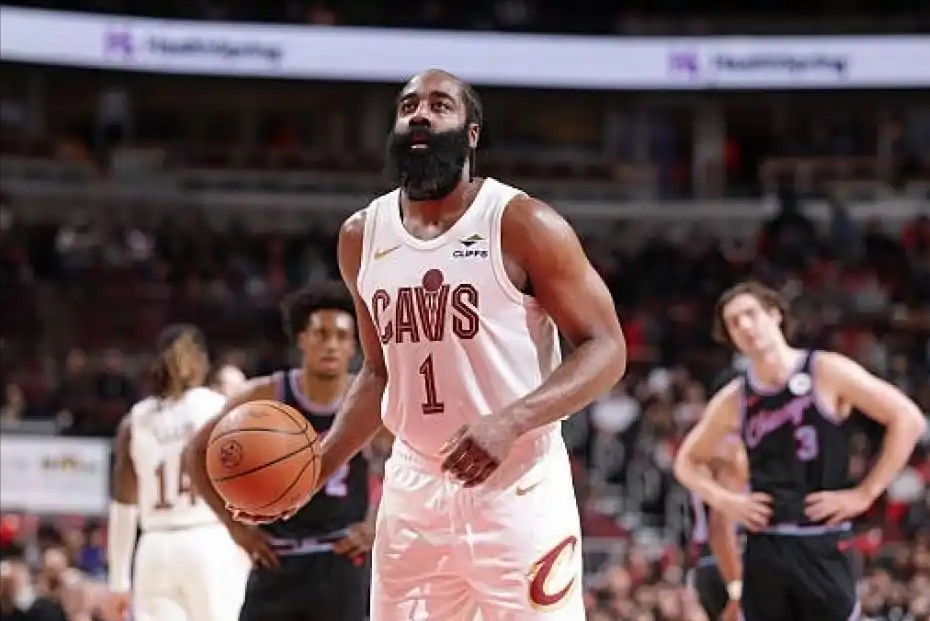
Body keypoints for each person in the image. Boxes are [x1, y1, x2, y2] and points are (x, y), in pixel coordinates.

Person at [234, 69, 627, 620]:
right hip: (414, 487)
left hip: (518, 484)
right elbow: (377, 371)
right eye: (407, 106)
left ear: (471, 134)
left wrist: (511, 421)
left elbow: (607, 348)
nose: (419, 113)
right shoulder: (360, 236)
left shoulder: (522, 223)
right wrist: (313, 471)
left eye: (440, 105)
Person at [674, 281, 927, 621]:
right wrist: (727, 501)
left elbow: (908, 419)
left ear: (775, 315)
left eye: (750, 314)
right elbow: (686, 462)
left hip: (822, 539)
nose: (744, 326)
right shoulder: (734, 398)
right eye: (734, 323)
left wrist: (865, 493)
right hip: (766, 545)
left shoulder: (826, 370)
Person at [187, 284, 384, 621]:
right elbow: (195, 451)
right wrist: (236, 529)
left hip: (341, 560)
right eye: (321, 334)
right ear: (302, 339)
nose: (331, 345)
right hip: (277, 558)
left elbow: (412, 457)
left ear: (354, 345)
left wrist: (376, 522)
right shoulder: (266, 394)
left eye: (341, 336)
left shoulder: (367, 400)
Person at [102, 325, 250, 621]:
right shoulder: (218, 408)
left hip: (155, 547)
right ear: (202, 362)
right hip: (208, 540)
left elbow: (123, 506)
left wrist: (118, 582)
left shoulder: (136, 419)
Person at [687, 436, 746, 621]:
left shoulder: (700, 454)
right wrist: (736, 586)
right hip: (728, 560)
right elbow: (720, 527)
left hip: (707, 560)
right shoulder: (731, 454)